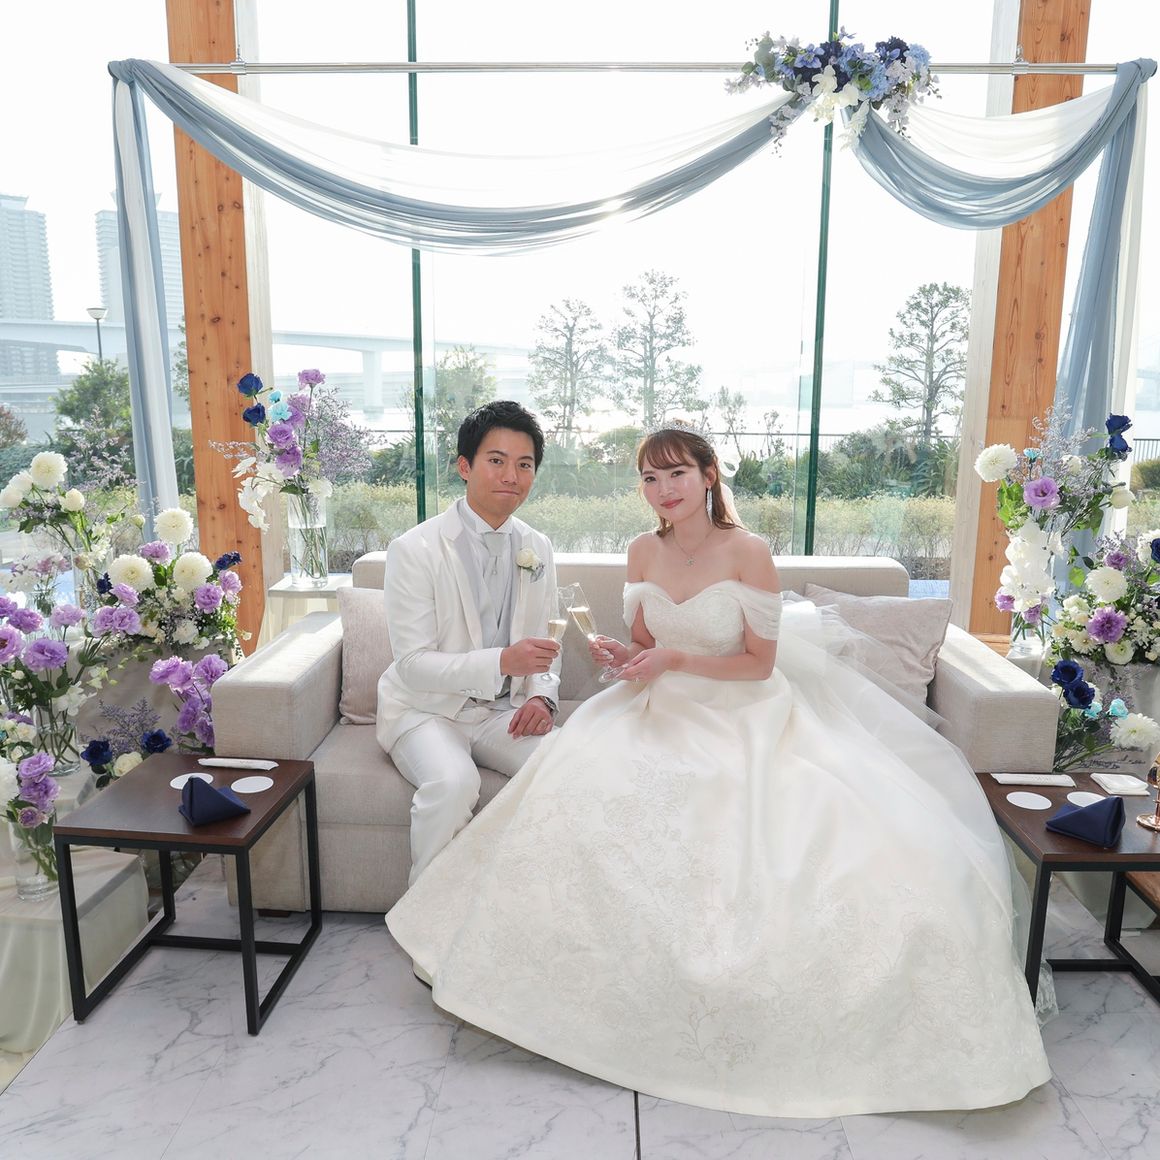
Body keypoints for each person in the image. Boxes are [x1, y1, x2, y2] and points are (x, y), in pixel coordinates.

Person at [385, 426, 1051, 1117]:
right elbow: (645, 645)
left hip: (741, 709)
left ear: (708, 475)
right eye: (650, 478)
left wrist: (672, 660)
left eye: (676, 473)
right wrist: (626, 656)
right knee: (581, 786)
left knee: (758, 815)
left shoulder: (748, 551)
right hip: (654, 704)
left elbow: (759, 664)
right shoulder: (641, 550)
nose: (663, 490)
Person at [376, 401, 560, 883]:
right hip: (425, 711)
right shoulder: (414, 549)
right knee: (454, 783)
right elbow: (412, 664)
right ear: (464, 466)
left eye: (524, 465)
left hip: (503, 713)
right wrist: (502, 661)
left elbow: (546, 643)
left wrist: (541, 696)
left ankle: (524, 899)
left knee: (566, 765)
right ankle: (425, 916)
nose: (511, 476)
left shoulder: (537, 546)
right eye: (496, 460)